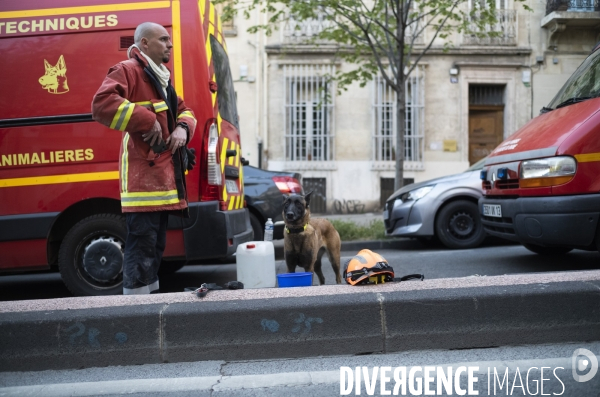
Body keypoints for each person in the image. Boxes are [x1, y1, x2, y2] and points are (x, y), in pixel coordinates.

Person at [92, 22, 197, 295]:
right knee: (141, 247)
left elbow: (186, 111)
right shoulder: (128, 71)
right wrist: (147, 120)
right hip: (142, 183)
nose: (170, 45)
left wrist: (182, 129)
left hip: (162, 182)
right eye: (163, 40)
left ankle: (150, 310)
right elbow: (102, 104)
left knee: (154, 247)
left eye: (170, 40)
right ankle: (135, 316)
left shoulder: (161, 78)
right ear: (145, 44)